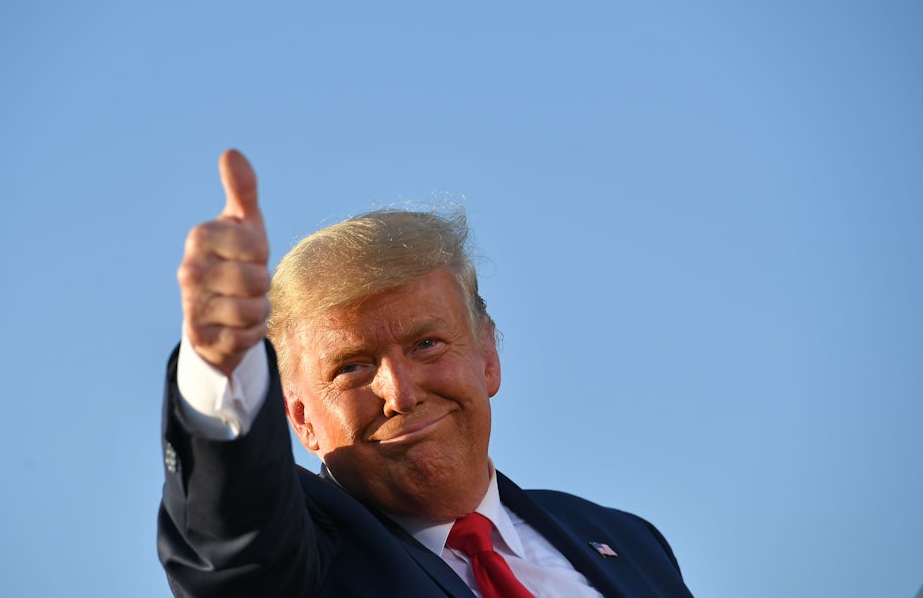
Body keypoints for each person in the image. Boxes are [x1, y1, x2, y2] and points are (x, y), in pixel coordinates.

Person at [158, 149, 694, 597]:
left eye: (427, 344)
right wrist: (219, 366)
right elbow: (233, 539)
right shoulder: (301, 561)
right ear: (301, 419)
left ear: (488, 356)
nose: (400, 392)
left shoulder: (630, 542)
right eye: (352, 367)